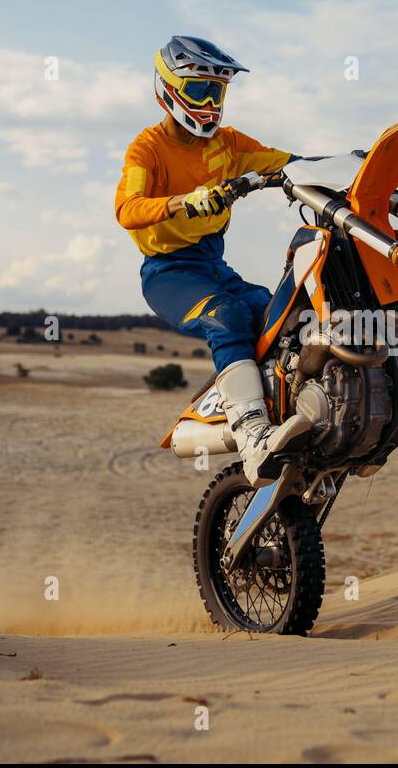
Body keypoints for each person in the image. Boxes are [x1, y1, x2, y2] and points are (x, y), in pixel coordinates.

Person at [114, 35, 310, 486]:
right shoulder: (147, 148)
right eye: (201, 91)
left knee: (281, 308)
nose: (210, 103)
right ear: (170, 90)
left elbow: (287, 163)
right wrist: (182, 202)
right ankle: (252, 436)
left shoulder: (230, 143)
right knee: (227, 315)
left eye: (217, 92)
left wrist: (343, 164)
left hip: (214, 264)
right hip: (168, 271)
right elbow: (128, 208)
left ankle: (302, 412)